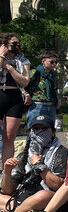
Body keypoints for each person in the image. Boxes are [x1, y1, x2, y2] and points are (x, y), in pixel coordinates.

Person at [0, 115, 67, 212]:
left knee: (43, 196)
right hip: (21, 199)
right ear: (30, 132)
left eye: (43, 129)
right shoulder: (25, 155)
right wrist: (7, 172)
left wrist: (39, 165)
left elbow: (58, 185)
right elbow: (8, 190)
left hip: (48, 199)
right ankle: (22, 210)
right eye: (35, 129)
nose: (39, 132)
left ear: (53, 131)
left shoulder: (61, 152)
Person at [0, 33, 30, 163]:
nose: (17, 46)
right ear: (5, 45)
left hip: (15, 98)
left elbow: (24, 81)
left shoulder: (23, 61)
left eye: (18, 43)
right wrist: (1, 56)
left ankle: (7, 169)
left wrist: (9, 67)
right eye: (14, 44)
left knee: (9, 137)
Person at [25, 51, 60, 124]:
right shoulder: (35, 72)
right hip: (37, 105)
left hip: (51, 105)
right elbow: (24, 83)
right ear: (43, 61)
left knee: (49, 130)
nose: (54, 64)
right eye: (51, 62)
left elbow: (53, 89)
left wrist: (58, 99)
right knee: (34, 128)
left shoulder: (52, 75)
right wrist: (26, 95)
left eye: (56, 62)